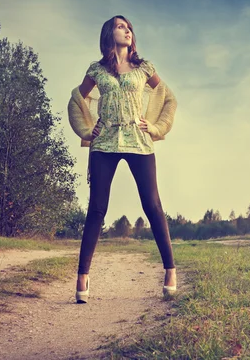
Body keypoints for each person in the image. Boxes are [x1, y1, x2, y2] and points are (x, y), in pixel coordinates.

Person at [67, 15, 178, 303]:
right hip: (105, 143)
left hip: (139, 142)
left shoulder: (144, 68)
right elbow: (77, 100)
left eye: (129, 28)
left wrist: (154, 128)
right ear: (108, 34)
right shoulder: (97, 70)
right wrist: (89, 130)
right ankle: (82, 278)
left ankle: (170, 270)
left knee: (152, 205)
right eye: (120, 27)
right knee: (97, 209)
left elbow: (168, 98)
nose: (126, 31)